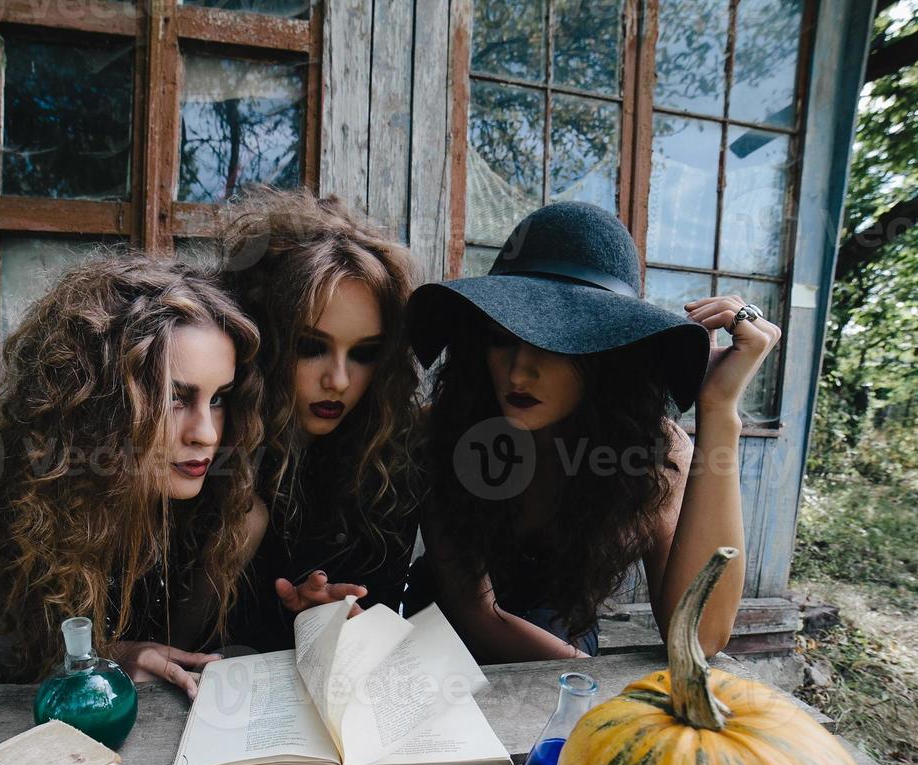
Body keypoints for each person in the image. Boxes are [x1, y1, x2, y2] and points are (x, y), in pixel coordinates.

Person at [406, 201, 781, 661]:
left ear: (606, 353)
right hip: (434, 636)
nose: (520, 372)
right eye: (503, 337)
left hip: (560, 641)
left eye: (554, 344)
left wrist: (720, 411)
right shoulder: (446, 427)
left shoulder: (652, 455)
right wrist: (593, 687)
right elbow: (475, 614)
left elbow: (699, 638)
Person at [0, 253, 267, 696]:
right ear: (98, 406)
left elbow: (174, 660)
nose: (206, 434)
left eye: (218, 399)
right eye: (175, 397)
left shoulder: (234, 520)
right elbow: (26, 663)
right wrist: (112, 654)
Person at [213, 186, 425, 652]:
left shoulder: (389, 458)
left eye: (365, 354)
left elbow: (380, 612)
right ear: (264, 339)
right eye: (311, 347)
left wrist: (330, 617)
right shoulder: (205, 443)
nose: (339, 380)